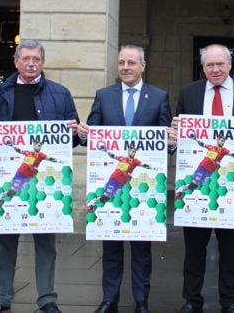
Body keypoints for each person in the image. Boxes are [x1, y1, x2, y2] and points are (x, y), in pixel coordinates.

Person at [0, 39, 82, 313]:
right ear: (16, 62)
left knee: (46, 244)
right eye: (25, 58)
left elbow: (70, 140)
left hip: (46, 183)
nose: (31, 63)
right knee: (5, 242)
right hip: (9, 179)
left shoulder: (60, 94)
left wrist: (75, 132)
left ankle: (47, 299)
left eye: (36, 59)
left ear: (43, 62)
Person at [79, 44, 172, 313]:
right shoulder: (104, 96)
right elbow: (93, 132)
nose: (126, 67)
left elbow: (166, 139)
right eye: (121, 62)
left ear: (143, 66)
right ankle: (109, 299)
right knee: (111, 245)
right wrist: (85, 134)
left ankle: (141, 300)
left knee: (142, 247)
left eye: (132, 62)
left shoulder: (158, 97)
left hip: (144, 184)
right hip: (112, 181)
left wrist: (172, 142)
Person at [173, 44, 234, 313]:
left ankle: (230, 300)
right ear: (203, 68)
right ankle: (191, 299)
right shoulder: (189, 93)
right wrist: (175, 131)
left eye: (220, 64)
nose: (215, 70)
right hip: (197, 179)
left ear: (230, 65)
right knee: (194, 247)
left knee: (231, 247)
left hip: (232, 183)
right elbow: (178, 137)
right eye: (209, 65)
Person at [85, 146, 160, 212]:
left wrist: (153, 168)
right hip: (114, 179)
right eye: (133, 151)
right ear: (129, 151)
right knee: (107, 195)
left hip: (121, 183)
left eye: (135, 152)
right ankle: (91, 203)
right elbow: (113, 156)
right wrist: (105, 150)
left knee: (107, 198)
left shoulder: (135, 161)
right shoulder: (122, 158)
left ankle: (91, 203)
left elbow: (144, 165)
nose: (134, 153)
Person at [0, 140, 64, 207]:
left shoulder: (40, 155)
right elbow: (19, 150)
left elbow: (50, 158)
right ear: (34, 145)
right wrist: (12, 146)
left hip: (27, 177)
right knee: (13, 190)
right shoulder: (28, 152)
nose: (40, 147)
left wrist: (59, 161)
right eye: (38, 145)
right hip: (20, 174)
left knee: (13, 192)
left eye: (40, 146)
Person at [174, 135, 234, 199]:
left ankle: (179, 189)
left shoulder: (223, 150)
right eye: (221, 140)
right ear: (218, 140)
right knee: (195, 182)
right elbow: (202, 144)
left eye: (224, 141)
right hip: (202, 167)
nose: (223, 142)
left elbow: (232, 154)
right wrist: (195, 139)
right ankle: (179, 190)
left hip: (209, 171)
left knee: (194, 185)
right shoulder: (211, 147)